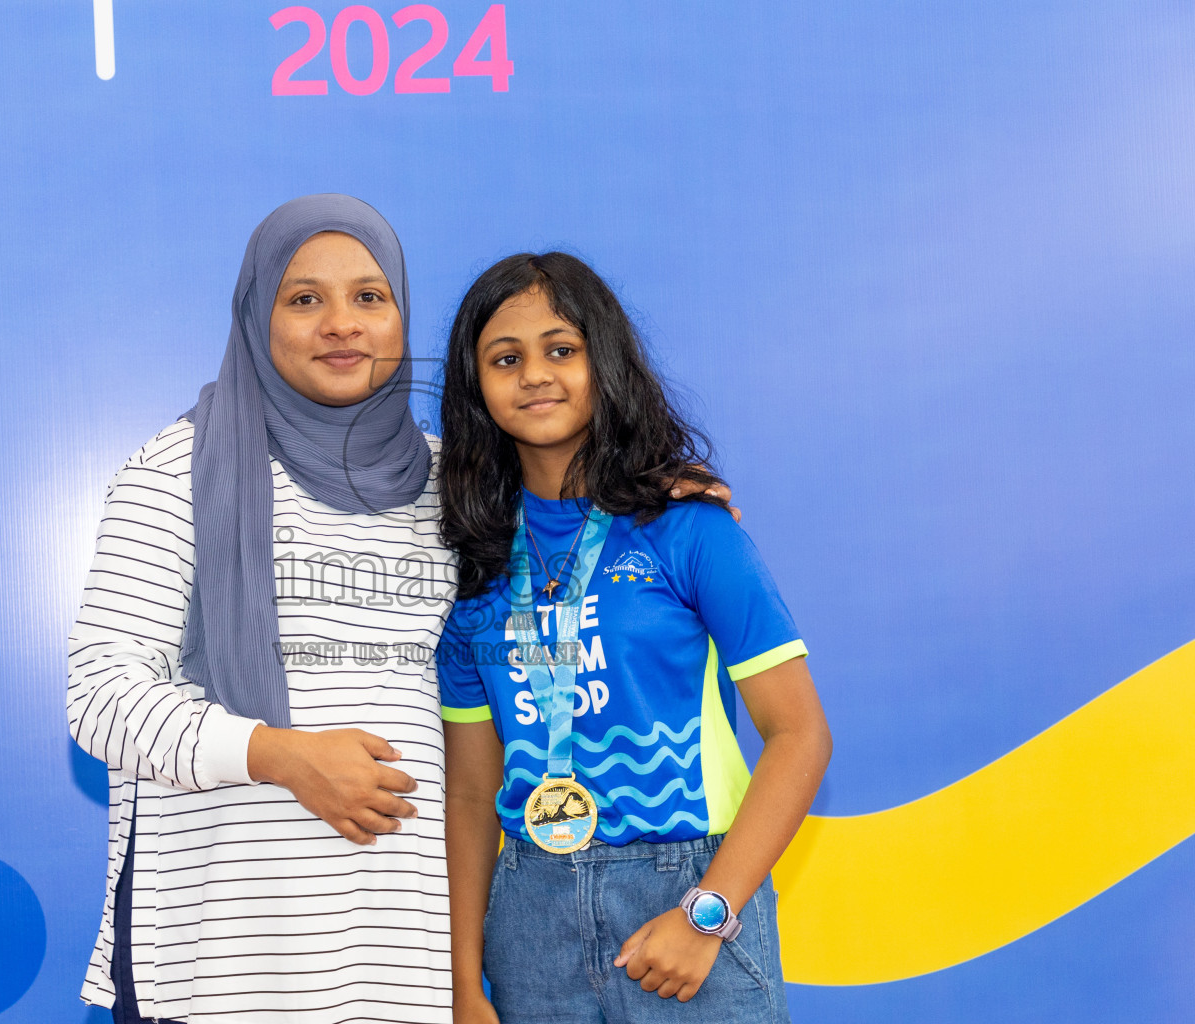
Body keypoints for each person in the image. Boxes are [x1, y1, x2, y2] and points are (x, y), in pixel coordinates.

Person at [67, 194, 458, 1023]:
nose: (341, 324)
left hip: (398, 961)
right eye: (304, 298)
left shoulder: (457, 485)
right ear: (257, 316)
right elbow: (101, 695)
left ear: (402, 315)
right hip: (222, 964)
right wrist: (280, 755)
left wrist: (666, 502)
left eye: (369, 296)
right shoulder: (178, 469)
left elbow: (581, 543)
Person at [436, 252, 833, 1024]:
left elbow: (801, 735)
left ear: (605, 362)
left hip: (685, 890)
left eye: (562, 349)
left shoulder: (688, 528)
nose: (535, 375)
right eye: (505, 358)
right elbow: (472, 793)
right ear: (476, 386)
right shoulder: (475, 566)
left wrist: (705, 913)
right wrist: (462, 984)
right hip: (527, 918)